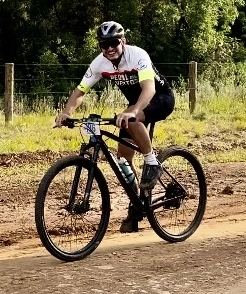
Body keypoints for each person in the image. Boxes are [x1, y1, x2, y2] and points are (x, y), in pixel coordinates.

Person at [53, 21, 176, 232]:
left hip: (160, 98)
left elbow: (148, 89)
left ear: (123, 41)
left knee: (132, 119)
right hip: (135, 105)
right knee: (123, 160)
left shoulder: (137, 55)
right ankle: (138, 205)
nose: (109, 48)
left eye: (113, 43)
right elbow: (80, 91)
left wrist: (133, 111)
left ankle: (152, 162)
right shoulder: (100, 63)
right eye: (104, 44)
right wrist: (67, 112)